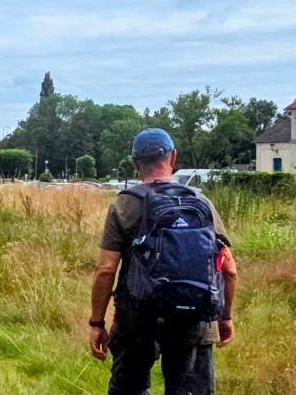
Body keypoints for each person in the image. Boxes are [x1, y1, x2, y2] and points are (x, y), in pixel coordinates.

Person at [88, 128, 237, 395]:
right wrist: (224, 317)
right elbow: (229, 269)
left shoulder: (123, 205)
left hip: (136, 318)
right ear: (173, 157)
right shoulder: (200, 202)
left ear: (135, 164)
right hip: (195, 318)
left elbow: (106, 269)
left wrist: (97, 323)